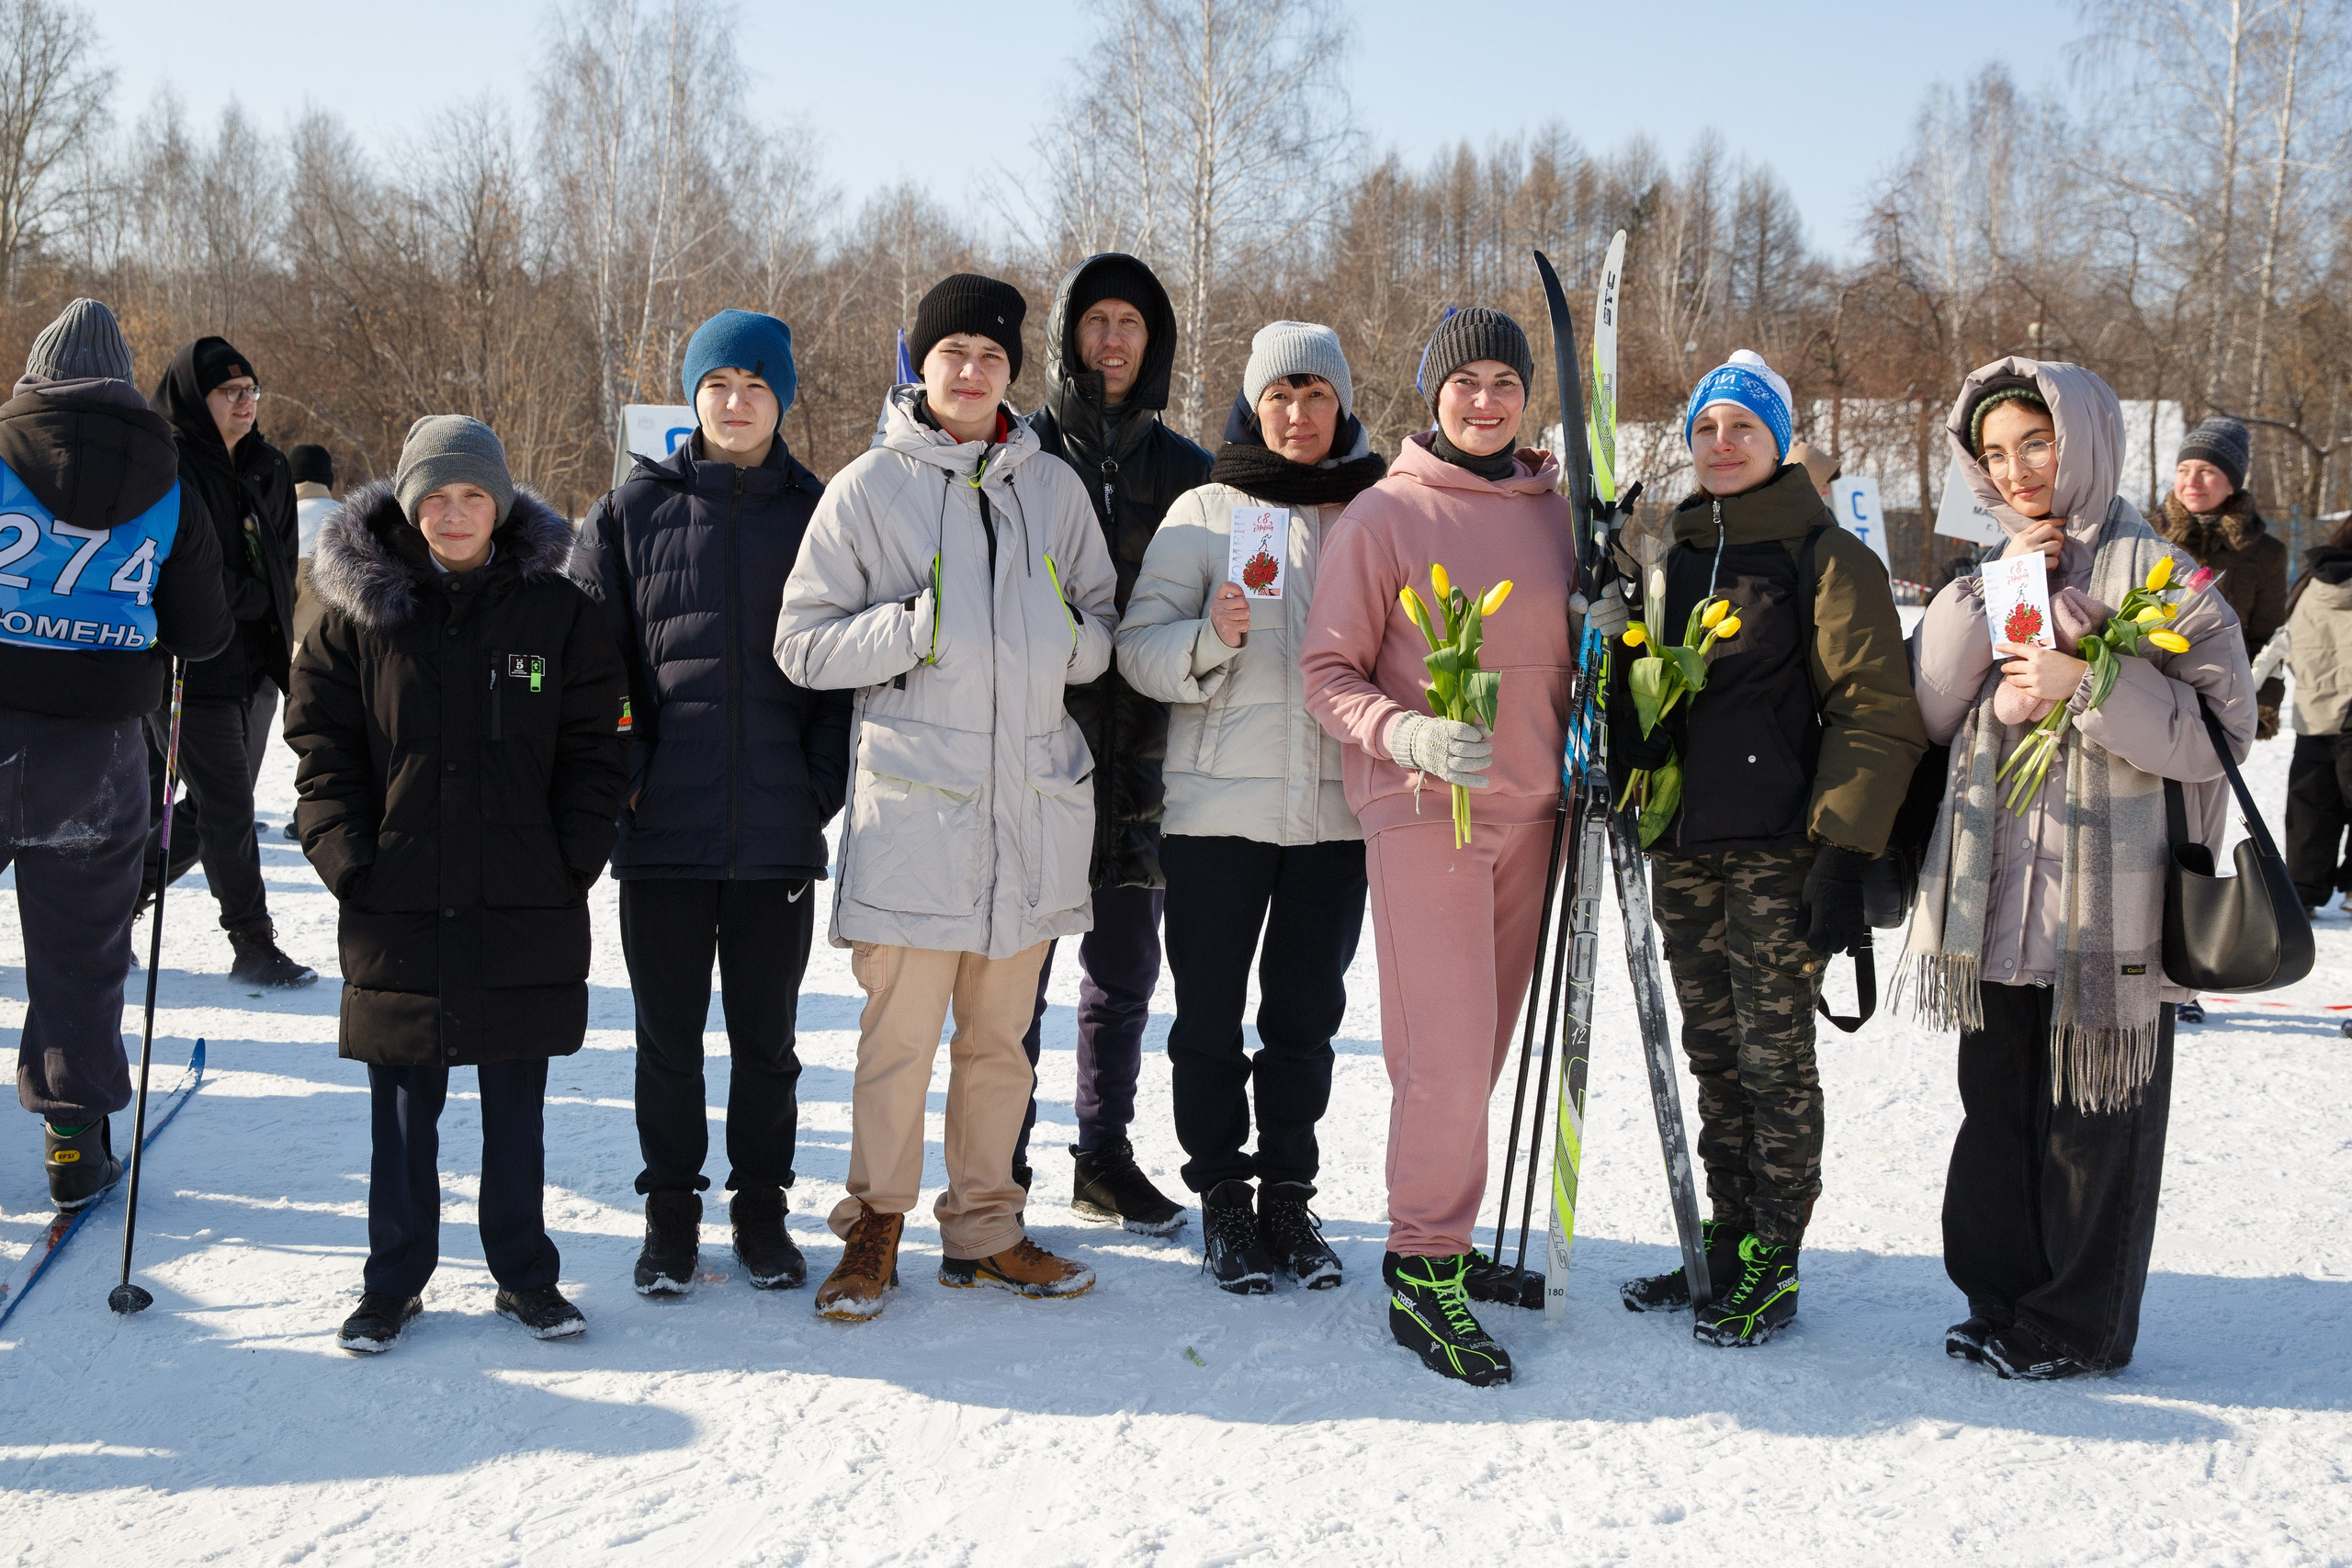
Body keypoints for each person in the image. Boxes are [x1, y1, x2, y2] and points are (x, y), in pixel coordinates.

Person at [775, 273, 1117, 1322]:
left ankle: (984, 1228)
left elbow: (1100, 624)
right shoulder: (868, 488)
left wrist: (1066, 639)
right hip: (918, 818)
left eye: (991, 357)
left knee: (1000, 1043)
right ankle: (873, 1223)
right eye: (952, 354)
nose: (971, 373)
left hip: (1029, 810)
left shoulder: (1048, 487)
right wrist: (905, 627)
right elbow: (800, 645)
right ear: (918, 366)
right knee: (899, 1042)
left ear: (1013, 373)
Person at [1905, 359, 2252, 1380]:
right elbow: (1929, 711)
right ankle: (2000, 1297)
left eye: (2036, 444)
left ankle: (2078, 1325)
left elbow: (2222, 740)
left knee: (2095, 1128)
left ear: (2085, 441)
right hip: (2000, 899)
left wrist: (2089, 682)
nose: (2017, 469)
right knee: (1999, 1113)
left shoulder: (2164, 576)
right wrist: (1988, 588)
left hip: (2115, 908)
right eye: (1997, 453)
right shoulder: (1991, 567)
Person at [1302, 307, 1603, 1385]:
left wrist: (1613, 628)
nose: (1484, 400)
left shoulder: (1555, 514)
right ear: (1431, 393)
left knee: (1481, 1051)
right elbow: (1326, 672)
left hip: (1536, 810)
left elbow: (1580, 650)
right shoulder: (1383, 516)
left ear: (1527, 399)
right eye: (1464, 381)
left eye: (1504, 383)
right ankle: (1421, 1262)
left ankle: (1449, 1235)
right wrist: (1405, 731)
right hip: (1426, 808)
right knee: (1442, 1047)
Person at [288, 416, 627, 1353]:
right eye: (434, 496)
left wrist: (572, 853)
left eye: (472, 494)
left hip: (524, 894)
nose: (453, 513)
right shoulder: (353, 616)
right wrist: (346, 857)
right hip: (397, 893)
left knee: (516, 1104)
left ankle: (525, 1275)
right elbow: (321, 751)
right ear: (407, 504)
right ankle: (393, 1281)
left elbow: (600, 746)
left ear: (503, 502)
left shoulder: (557, 612)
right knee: (403, 1114)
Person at [1609, 351, 1924, 1348]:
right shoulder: (1673, 557)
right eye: (1705, 430)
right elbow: (1652, 690)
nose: (1721, 445)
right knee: (1713, 1057)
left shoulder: (1827, 558)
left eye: (1742, 429)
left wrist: (1841, 850)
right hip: (1687, 847)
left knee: (1773, 1059)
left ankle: (1774, 1262)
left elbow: (1875, 714)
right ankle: (1730, 1236)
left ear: (1779, 444)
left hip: (1779, 852)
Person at [573, 309, 852, 1297]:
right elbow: (590, 668)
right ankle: (671, 1220)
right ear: (692, 397)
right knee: (668, 1043)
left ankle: (762, 1214)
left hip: (777, 831)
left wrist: (819, 785)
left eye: (756, 386)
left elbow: (846, 678)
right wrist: (631, 773)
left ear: (782, 397)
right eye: (718, 385)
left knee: (767, 1044)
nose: (736, 404)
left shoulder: (823, 513)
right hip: (662, 832)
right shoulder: (626, 514)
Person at [1118, 322, 1386, 1293]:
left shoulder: (1377, 508)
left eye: (1317, 396)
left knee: (1305, 1020)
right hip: (1215, 814)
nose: (1299, 414)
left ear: (1341, 405)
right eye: (1281, 395)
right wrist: (1208, 633)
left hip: (1334, 813)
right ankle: (1223, 1203)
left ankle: (1287, 1197)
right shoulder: (1205, 510)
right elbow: (1135, 650)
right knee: (1208, 1021)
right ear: (1252, 403)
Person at [1, 299, 231, 1210]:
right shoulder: (169, 474)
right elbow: (204, 632)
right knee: (79, 948)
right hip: (95, 750)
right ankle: (72, 1140)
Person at [1017, 253, 1212, 1233]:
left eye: (1131, 322)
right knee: (1016, 977)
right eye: (1094, 320)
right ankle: (992, 1163)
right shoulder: (1020, 454)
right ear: (1065, 336)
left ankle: (1102, 1156)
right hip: (1033, 753)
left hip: (1147, 758)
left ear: (1155, 340)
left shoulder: (1187, 471)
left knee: (1123, 974)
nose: (1112, 339)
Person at [145, 335, 312, 986]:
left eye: (251, 391)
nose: (246, 402)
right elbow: (190, 573)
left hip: (254, 663)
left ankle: (120, 899)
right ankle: (252, 940)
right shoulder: (168, 467)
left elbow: (284, 566)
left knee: (219, 804)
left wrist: (276, 630)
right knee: (226, 807)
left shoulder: (269, 466)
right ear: (196, 398)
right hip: (188, 663)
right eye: (230, 393)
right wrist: (256, 598)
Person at [2151, 415, 2288, 1023]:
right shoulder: (2146, 534)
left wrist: (2264, 701)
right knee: (2144, 839)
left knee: (2196, 841)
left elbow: (2272, 635)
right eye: (2184, 468)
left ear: (2232, 480)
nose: (2192, 480)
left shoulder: (2264, 552)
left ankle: (2188, 972)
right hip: (2147, 703)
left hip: (2216, 711)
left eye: (2207, 469)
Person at [2282, 516, 2352, 912]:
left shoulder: (2311, 581)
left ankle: (2302, 895)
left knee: (2312, 804)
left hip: (2315, 707)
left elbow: (2290, 642)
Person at [284, 442, 337, 837]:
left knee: (304, 740)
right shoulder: (351, 521)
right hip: (354, 655)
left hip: (298, 654)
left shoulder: (281, 523)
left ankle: (301, 812)